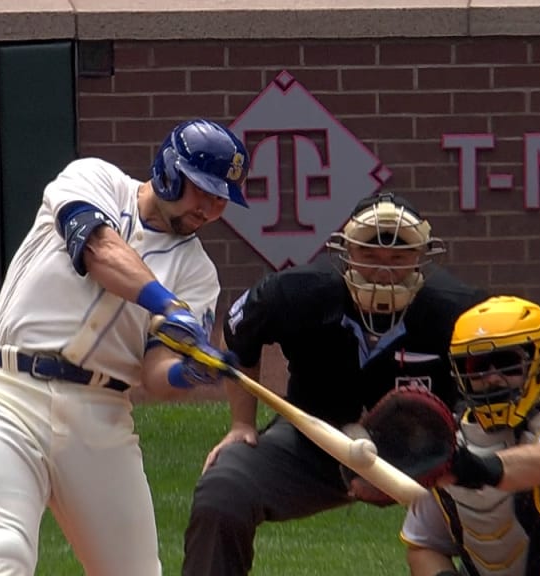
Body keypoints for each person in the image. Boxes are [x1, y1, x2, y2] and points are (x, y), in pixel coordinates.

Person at [0, 118, 248, 576]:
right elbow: (99, 251)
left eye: (220, 198)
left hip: (101, 417)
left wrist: (188, 372)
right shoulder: (94, 179)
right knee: (3, 553)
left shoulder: (198, 274)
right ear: (169, 170)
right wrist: (168, 307)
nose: (209, 208)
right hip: (6, 396)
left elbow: (155, 372)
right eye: (202, 190)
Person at [182, 192, 491, 575]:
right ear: (346, 252)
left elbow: (491, 384)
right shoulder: (296, 292)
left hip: (432, 454)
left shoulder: (460, 309)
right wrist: (242, 425)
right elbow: (238, 335)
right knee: (224, 489)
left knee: (500, 497)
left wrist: (452, 458)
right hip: (314, 441)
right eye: (370, 257)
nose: (383, 271)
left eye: (398, 258)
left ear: (421, 257)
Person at [401, 295, 540, 576]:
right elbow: (424, 546)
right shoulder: (451, 445)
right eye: (478, 366)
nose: (492, 378)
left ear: (537, 363)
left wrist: (472, 469)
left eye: (506, 362)